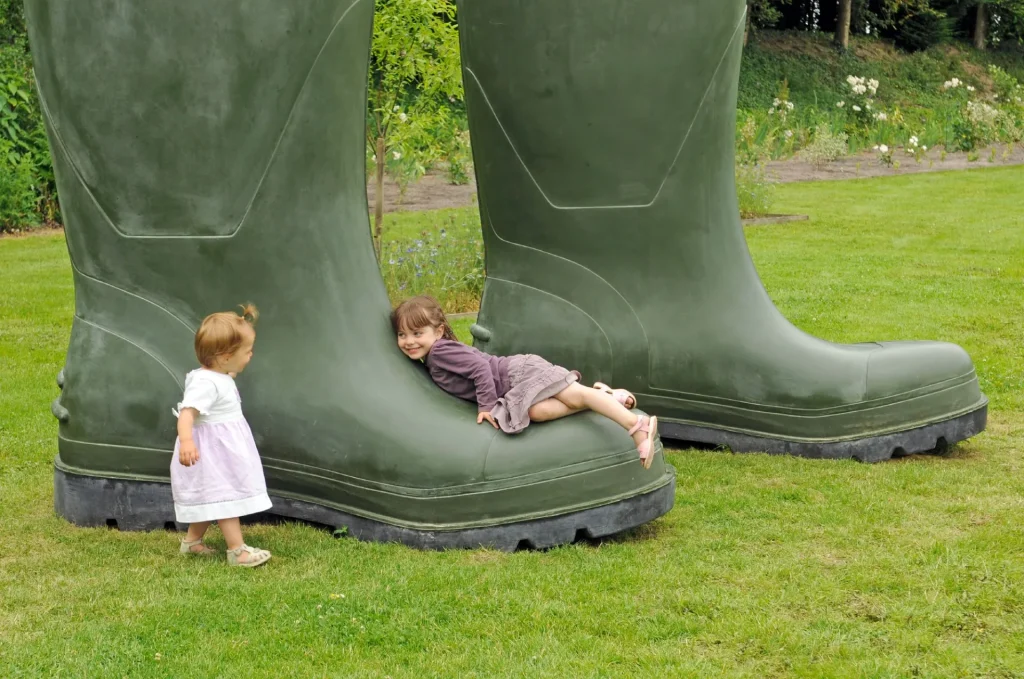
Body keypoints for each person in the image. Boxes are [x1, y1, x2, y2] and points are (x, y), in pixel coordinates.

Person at [391, 296, 658, 467]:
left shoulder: (439, 352)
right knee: (536, 412)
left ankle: (636, 426)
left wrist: (485, 406)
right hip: (513, 388)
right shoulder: (433, 357)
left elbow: (481, 368)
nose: (409, 341)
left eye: (417, 333)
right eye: (402, 334)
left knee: (577, 396)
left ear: (437, 332)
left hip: (517, 373)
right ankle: (610, 398)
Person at [171, 304, 273, 567]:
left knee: (213, 496)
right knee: (224, 497)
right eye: (247, 351)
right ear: (226, 356)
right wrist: (187, 441)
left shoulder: (217, 375)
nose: (251, 355)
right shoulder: (206, 383)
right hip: (212, 453)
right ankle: (237, 551)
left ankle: (192, 542)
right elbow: (186, 414)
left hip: (222, 449)